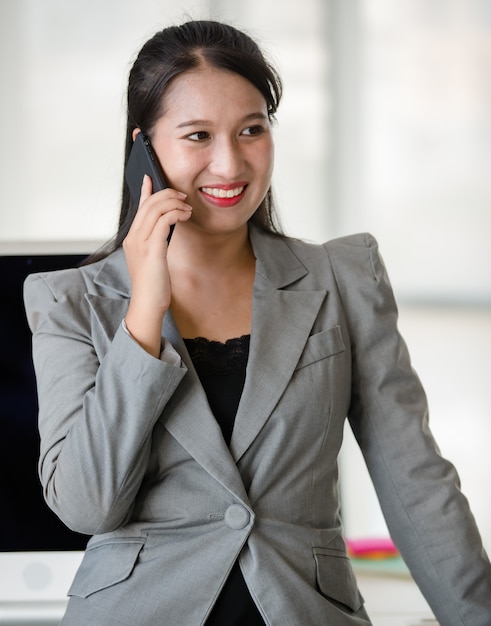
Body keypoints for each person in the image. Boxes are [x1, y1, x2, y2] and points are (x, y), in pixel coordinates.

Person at [24, 19, 491, 626]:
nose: (229, 163)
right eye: (197, 136)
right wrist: (144, 311)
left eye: (252, 130)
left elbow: (417, 486)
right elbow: (88, 505)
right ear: (144, 149)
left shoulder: (341, 278)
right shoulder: (69, 301)